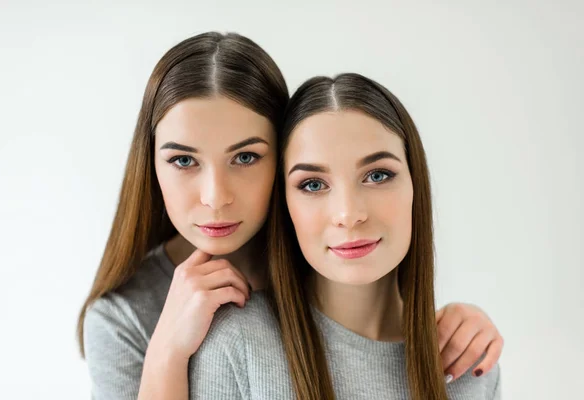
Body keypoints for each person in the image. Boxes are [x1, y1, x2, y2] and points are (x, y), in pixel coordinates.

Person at [78, 32, 503, 400]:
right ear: (150, 165)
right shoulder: (128, 319)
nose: (215, 197)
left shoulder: (338, 255)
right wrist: (166, 352)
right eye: (184, 161)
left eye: (245, 156)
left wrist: (459, 321)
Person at [188, 73, 501, 399]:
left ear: (414, 186)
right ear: (285, 206)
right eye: (312, 184)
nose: (348, 215)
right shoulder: (236, 345)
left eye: (377, 175)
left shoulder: (468, 363)